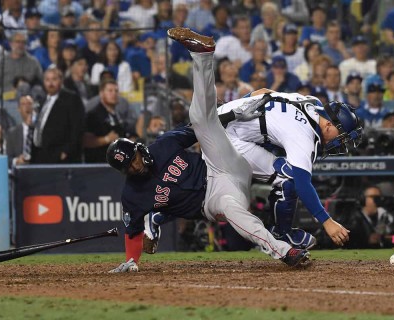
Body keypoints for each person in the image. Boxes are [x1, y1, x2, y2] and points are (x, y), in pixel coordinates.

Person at [107, 27, 311, 273]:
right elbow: (132, 232)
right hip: (214, 200)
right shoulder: (133, 195)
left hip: (219, 164)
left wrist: (233, 113)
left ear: (140, 149)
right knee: (234, 213)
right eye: (129, 166)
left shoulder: (163, 146)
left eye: (135, 159)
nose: (136, 165)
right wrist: (132, 260)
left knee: (201, 120)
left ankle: (203, 55)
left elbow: (201, 127)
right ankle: (284, 251)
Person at [31, 67, 84, 163]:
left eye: (54, 79)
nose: (50, 83)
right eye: (47, 80)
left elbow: (77, 128)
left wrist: (66, 151)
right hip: (40, 154)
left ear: (61, 80)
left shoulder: (71, 99)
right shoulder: (41, 101)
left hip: (60, 156)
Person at [83, 79, 133, 163]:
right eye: (110, 91)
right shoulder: (93, 115)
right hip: (98, 164)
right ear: (101, 93)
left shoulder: (118, 115)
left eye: (116, 91)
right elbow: (85, 141)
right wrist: (106, 139)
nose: (114, 93)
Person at [6, 95, 35, 166]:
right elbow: (8, 158)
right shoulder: (12, 133)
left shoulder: (41, 130)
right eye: (24, 104)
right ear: (19, 109)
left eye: (29, 104)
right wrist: (17, 161)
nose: (27, 106)